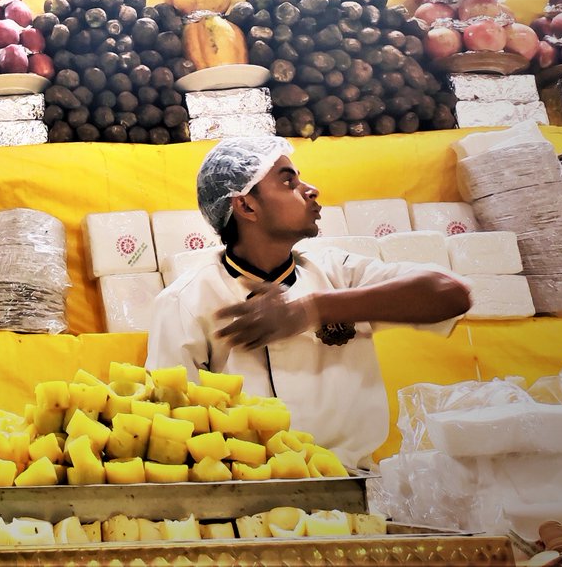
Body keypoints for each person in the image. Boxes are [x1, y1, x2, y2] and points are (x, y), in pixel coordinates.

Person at [147, 136, 471, 469]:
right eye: (288, 182)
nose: (310, 189)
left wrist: (310, 310)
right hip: (249, 494)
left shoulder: (337, 272)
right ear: (246, 206)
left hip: (355, 481)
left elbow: (450, 294)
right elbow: (172, 427)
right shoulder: (184, 301)